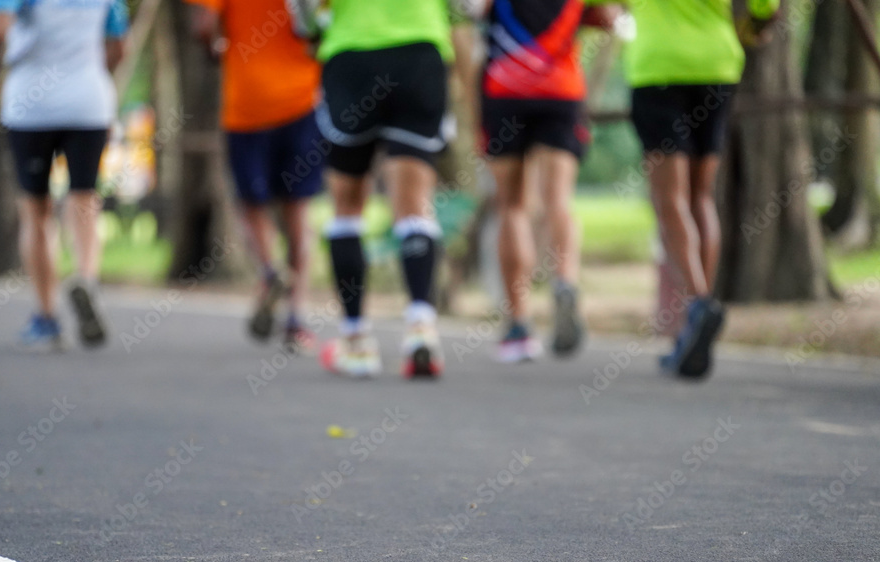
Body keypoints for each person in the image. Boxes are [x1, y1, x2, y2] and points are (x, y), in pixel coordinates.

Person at [289, 0, 453, 379]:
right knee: (414, 204)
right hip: (420, 53)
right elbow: (472, 6)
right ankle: (420, 330)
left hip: (353, 58)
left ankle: (356, 342)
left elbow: (303, 8)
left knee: (346, 205)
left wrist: (310, 27)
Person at [622, 0, 779, 378]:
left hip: (659, 66)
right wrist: (756, 25)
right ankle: (694, 322)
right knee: (699, 197)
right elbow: (765, 5)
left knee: (670, 202)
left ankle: (699, 303)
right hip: (716, 64)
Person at [459, 0, 614, 363]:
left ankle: (518, 323)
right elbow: (608, 17)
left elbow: (469, 11)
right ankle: (565, 281)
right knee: (558, 200)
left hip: (506, 90)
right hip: (560, 91)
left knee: (511, 206)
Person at [0, 0, 129, 350]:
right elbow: (120, 46)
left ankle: (46, 319)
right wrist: (93, 71)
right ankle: (86, 279)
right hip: (89, 102)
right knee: (84, 198)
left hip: (32, 105)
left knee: (36, 210)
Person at [188, 0, 323, 350]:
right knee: (298, 211)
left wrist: (217, 49)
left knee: (252, 205)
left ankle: (269, 268)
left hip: (247, 103)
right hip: (302, 98)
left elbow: (203, 25)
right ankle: (296, 318)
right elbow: (324, 25)